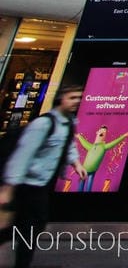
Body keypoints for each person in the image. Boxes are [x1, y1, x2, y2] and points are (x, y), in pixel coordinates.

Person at [0, 85, 88, 268]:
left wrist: (76, 164)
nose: (76, 101)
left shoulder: (70, 122)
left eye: (79, 98)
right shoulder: (43, 124)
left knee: (31, 224)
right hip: (26, 185)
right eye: (72, 97)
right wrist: (8, 188)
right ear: (61, 99)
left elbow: (68, 144)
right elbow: (22, 155)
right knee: (28, 226)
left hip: (41, 184)